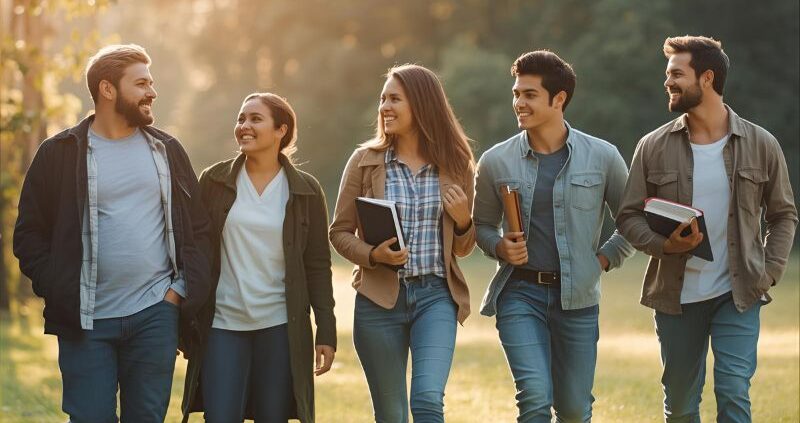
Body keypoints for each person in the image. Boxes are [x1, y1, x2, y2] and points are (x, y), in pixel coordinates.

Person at [13, 44, 212, 422]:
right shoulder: (58, 153)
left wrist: (178, 293)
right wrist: (58, 284)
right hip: (86, 321)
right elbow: (29, 235)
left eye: (151, 83)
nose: (151, 92)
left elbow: (198, 230)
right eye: (140, 83)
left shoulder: (168, 150)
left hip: (155, 314)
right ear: (107, 89)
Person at [616, 36, 797, 422]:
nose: (668, 82)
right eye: (668, 75)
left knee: (733, 392)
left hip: (740, 292)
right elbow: (628, 216)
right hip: (676, 297)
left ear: (707, 78)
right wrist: (664, 244)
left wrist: (769, 271)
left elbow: (783, 215)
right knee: (680, 405)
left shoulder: (761, 144)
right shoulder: (652, 146)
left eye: (677, 74)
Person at [473, 50, 635, 422]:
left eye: (529, 94)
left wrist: (604, 259)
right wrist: (499, 246)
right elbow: (481, 225)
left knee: (575, 410)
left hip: (578, 301)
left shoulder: (604, 157)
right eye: (516, 93)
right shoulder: (496, 161)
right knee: (533, 397)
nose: (519, 103)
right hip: (519, 295)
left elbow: (632, 221)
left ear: (558, 99)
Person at [329, 64, 475, 422]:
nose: (384, 107)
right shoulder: (364, 162)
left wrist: (463, 220)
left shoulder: (457, 165)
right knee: (391, 415)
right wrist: (372, 255)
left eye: (395, 99)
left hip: (436, 298)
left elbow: (464, 247)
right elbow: (339, 232)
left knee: (426, 400)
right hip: (378, 302)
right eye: (383, 99)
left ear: (422, 104)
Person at [181, 93, 337, 423]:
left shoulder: (305, 190)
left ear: (281, 130)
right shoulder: (214, 180)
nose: (244, 126)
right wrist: (183, 321)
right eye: (241, 119)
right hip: (223, 324)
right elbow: (191, 251)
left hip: (279, 328)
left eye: (255, 119)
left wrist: (326, 331)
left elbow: (318, 266)